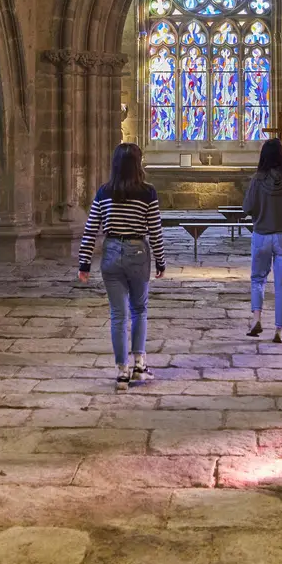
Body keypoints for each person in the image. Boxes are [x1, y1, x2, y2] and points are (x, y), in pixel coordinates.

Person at [77, 142, 168, 391]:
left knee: (118, 315)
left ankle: (121, 371)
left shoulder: (104, 192)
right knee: (139, 309)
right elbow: (155, 231)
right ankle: (139, 365)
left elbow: (91, 229)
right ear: (138, 164)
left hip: (111, 252)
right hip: (138, 251)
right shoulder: (147, 192)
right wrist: (160, 260)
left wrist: (84, 262)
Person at [243, 138, 282, 341]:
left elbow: (247, 207)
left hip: (261, 235)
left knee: (257, 279)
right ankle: (280, 329)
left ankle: (256, 319)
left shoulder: (257, 180)